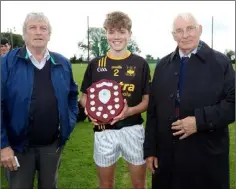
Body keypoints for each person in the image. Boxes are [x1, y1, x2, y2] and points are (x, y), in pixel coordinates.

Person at [144, 12, 235, 189]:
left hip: (206, 158)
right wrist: (150, 150)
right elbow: (153, 111)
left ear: (199, 30)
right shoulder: (163, 65)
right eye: (179, 31)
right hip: (167, 158)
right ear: (173, 35)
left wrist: (199, 121)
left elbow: (233, 104)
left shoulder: (220, 62)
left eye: (190, 29)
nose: (185, 35)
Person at [1, 12, 78, 189]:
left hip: (52, 146)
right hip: (18, 148)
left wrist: (69, 122)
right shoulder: (6, 63)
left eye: (43, 28)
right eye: (32, 28)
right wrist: (3, 145)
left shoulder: (63, 63)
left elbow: (72, 96)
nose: (38, 32)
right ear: (24, 34)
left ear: (49, 35)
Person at [80, 11, 151, 189]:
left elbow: (147, 100)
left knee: (139, 185)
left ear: (129, 34)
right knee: (105, 185)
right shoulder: (96, 64)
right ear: (106, 33)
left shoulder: (140, 63)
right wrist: (89, 110)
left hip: (132, 130)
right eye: (112, 32)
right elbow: (84, 97)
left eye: (121, 31)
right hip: (104, 132)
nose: (116, 37)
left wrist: (129, 111)